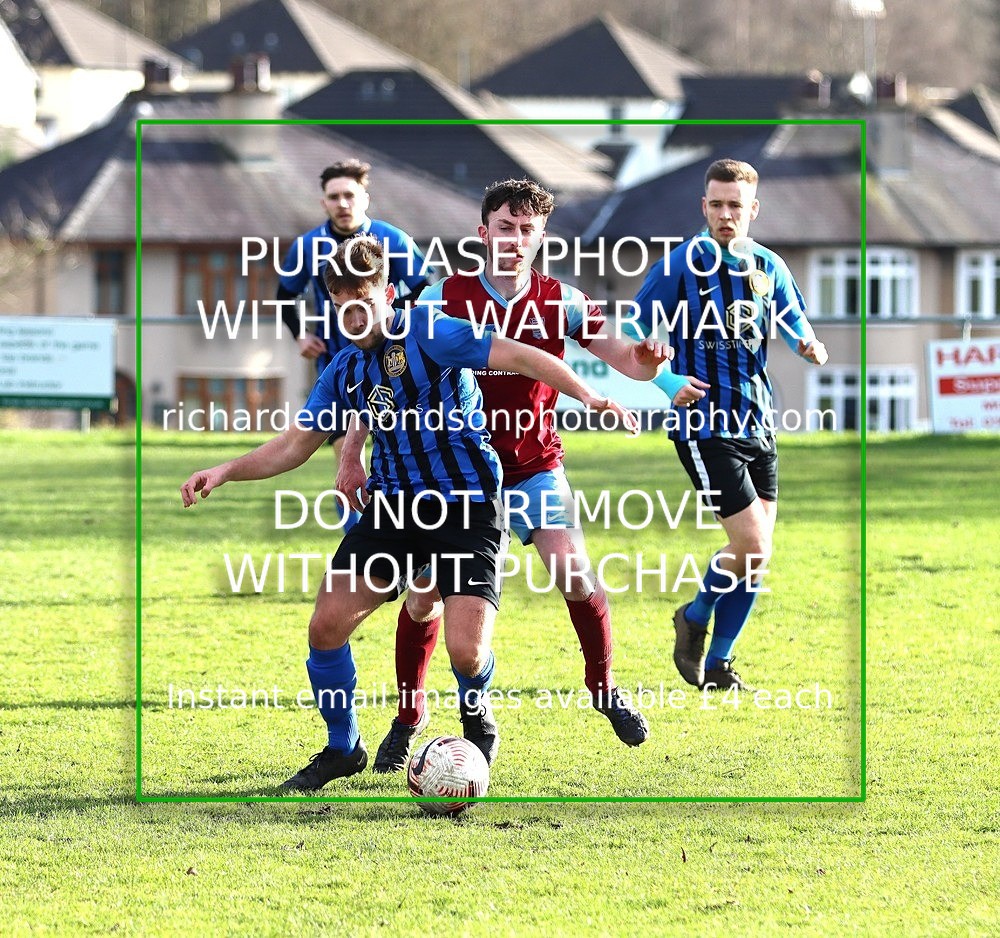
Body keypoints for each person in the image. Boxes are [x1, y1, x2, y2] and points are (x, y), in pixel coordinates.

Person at [180, 236, 637, 792]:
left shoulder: (430, 331)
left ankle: (477, 709)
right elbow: (294, 445)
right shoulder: (344, 369)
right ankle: (343, 747)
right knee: (325, 626)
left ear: (388, 295)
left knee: (467, 653)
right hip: (394, 509)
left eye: (363, 301)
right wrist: (225, 470)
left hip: (468, 506)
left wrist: (590, 398)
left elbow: (520, 355)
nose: (352, 314)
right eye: (341, 304)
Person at [337, 178, 672, 773]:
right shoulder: (441, 297)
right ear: (483, 232)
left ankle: (604, 689)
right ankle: (408, 718)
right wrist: (351, 452)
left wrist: (643, 364)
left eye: (527, 231)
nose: (515, 241)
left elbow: (622, 354)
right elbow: (380, 373)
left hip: (533, 467)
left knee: (574, 572)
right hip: (451, 480)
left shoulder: (560, 299)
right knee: (420, 601)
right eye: (505, 228)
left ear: (541, 237)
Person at [629, 158, 828, 693]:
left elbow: (793, 318)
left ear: (752, 210)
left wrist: (807, 342)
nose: (725, 214)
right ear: (703, 207)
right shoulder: (681, 265)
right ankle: (694, 616)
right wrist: (661, 366)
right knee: (755, 547)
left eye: (735, 206)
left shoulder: (768, 266)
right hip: (704, 424)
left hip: (759, 421)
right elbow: (634, 323)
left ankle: (718, 663)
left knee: (755, 559)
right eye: (715, 205)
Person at [276, 159, 430, 526]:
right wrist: (300, 335)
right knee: (347, 453)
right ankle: (358, 541)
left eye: (349, 195)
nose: (342, 203)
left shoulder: (392, 240)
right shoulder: (307, 246)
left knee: (400, 453)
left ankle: (409, 534)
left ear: (365, 198)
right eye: (334, 197)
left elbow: (426, 289)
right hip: (339, 366)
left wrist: (400, 326)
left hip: (397, 363)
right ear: (323, 203)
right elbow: (285, 296)